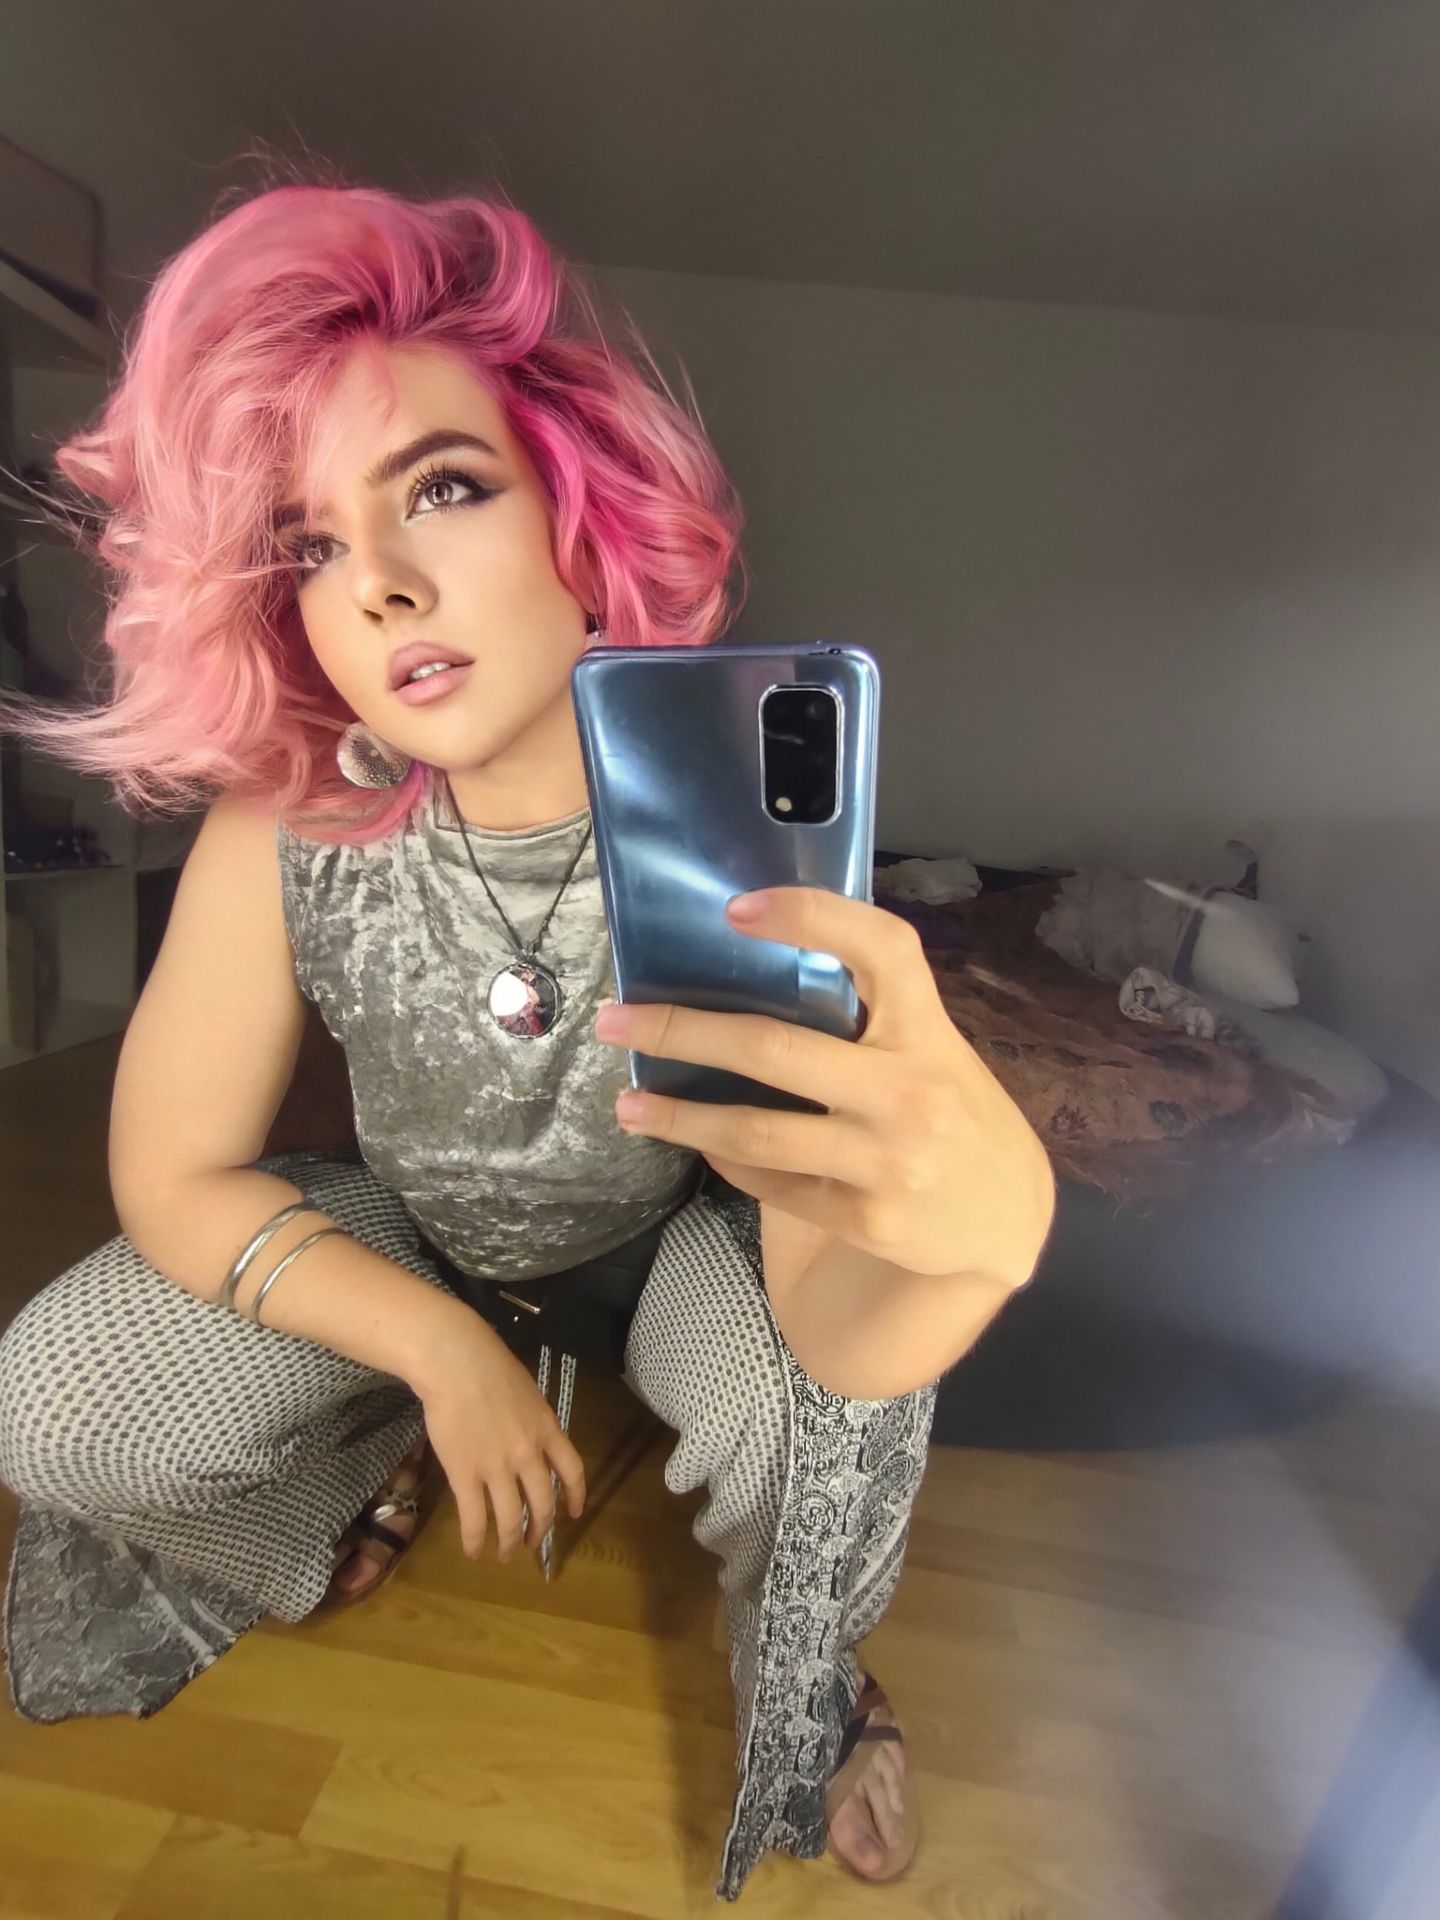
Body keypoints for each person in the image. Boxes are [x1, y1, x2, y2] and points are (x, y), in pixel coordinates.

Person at [0, 173, 1055, 1899]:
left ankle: (804, 1670)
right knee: (57, 1404)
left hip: (686, 1238)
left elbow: (834, 1330)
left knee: (818, 1422)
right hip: (423, 1229)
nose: (380, 586)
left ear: (578, 505)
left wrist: (981, 1252)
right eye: (310, 545)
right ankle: (363, 1480)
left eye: (443, 486)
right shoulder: (289, 822)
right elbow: (171, 1174)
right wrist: (443, 1353)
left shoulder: (733, 830)